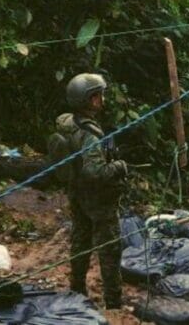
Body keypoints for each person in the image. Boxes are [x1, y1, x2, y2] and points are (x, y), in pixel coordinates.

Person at [62, 73, 127, 309]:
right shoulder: (89, 134)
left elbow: (105, 142)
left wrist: (112, 148)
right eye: (98, 95)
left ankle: (76, 288)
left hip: (77, 193)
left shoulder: (71, 123)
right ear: (89, 100)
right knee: (110, 249)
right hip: (98, 199)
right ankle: (114, 302)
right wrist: (120, 166)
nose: (103, 99)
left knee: (80, 241)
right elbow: (95, 172)